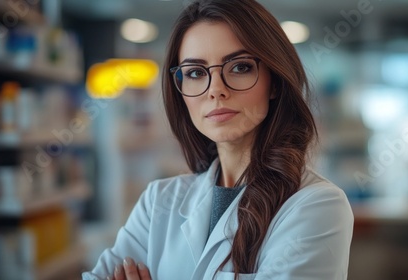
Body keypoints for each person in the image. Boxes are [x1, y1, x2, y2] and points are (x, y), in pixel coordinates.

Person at [82, 0, 354, 279]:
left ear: (274, 81)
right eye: (196, 73)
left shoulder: (317, 205)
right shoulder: (158, 202)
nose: (216, 90)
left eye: (239, 67)